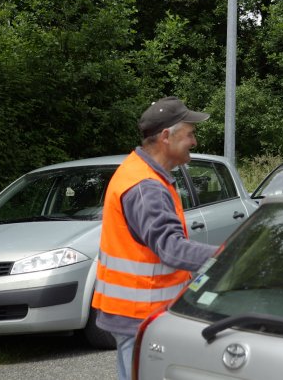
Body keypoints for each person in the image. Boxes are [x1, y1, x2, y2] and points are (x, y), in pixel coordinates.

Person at [91, 96, 218, 380]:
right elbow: (171, 249)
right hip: (141, 317)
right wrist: (229, 256)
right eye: (190, 134)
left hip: (136, 315)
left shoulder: (141, 174)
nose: (195, 142)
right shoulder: (146, 187)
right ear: (165, 137)